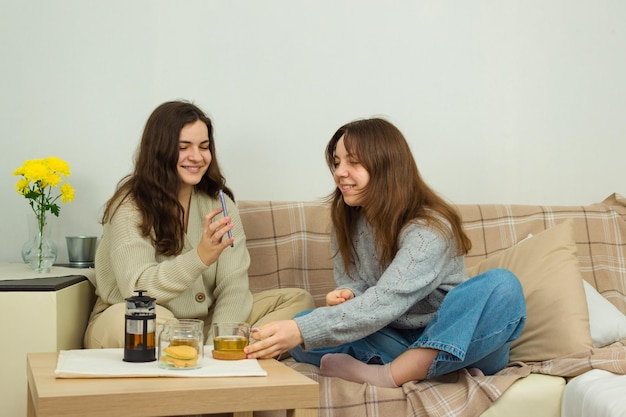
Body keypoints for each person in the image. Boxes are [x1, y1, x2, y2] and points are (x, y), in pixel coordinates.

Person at [244, 117, 526, 388]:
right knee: (306, 331)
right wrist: (349, 294)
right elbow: (356, 285)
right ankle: (430, 370)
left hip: (460, 336)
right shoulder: (349, 219)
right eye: (337, 162)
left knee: (502, 284)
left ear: (386, 167)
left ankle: (391, 373)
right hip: (395, 338)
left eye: (353, 162)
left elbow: (386, 301)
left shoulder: (430, 228)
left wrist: (301, 330)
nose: (340, 172)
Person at [84, 100, 315, 348]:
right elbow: (138, 288)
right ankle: (219, 350)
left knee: (300, 302)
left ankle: (205, 353)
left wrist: (221, 340)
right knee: (141, 322)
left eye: (204, 147)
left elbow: (233, 286)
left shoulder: (220, 204)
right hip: (136, 317)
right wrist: (201, 257)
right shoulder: (130, 206)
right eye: (184, 147)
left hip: (203, 324)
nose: (197, 157)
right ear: (160, 150)